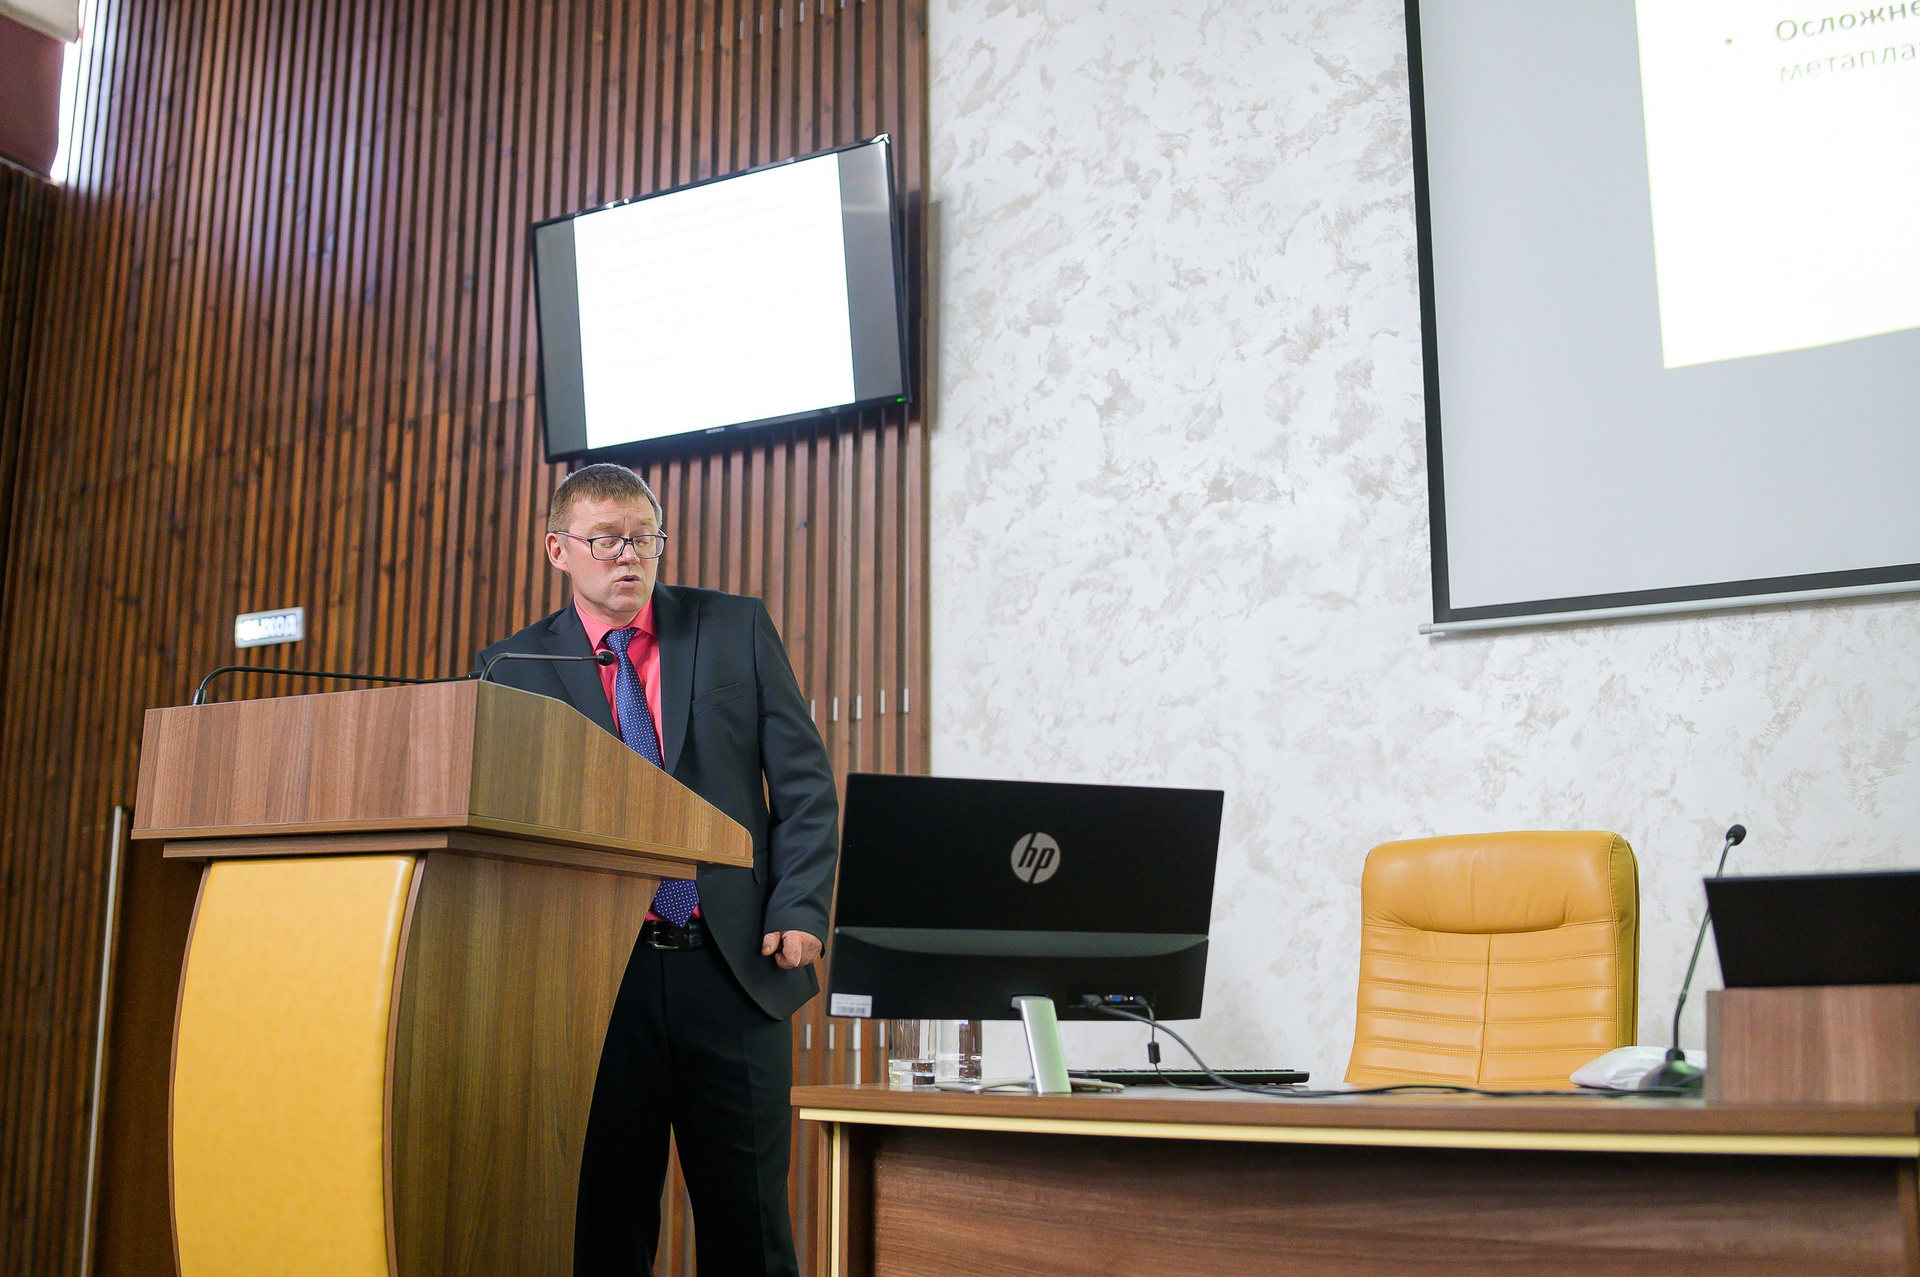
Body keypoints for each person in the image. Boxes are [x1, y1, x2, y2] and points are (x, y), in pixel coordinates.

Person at [477, 462, 837, 1277]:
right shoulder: (510, 667)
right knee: (604, 1229)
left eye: (644, 538)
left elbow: (806, 787)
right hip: (592, 982)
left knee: (751, 1229)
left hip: (734, 965)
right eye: (605, 541)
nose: (628, 556)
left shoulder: (734, 627)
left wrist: (800, 907)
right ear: (558, 549)